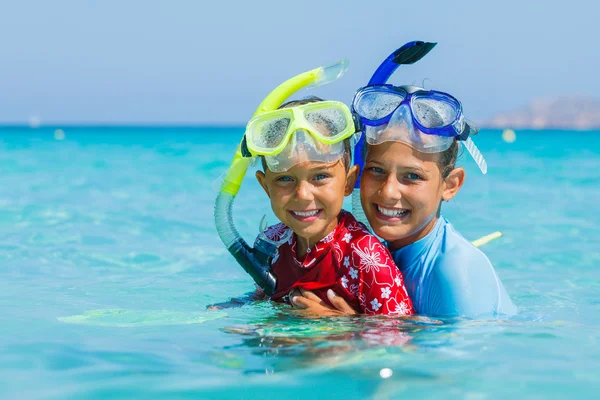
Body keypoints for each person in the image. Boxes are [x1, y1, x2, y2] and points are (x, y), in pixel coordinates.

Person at [291, 43, 517, 318]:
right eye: (376, 170)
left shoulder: (455, 270)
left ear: (450, 185)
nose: (388, 192)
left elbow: (453, 362)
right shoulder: (375, 252)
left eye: (412, 176)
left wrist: (347, 329)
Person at [253, 96, 414, 315]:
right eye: (284, 179)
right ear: (265, 186)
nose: (302, 194)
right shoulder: (271, 243)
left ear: (348, 182)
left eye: (320, 176)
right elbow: (262, 298)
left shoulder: (366, 258)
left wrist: (341, 324)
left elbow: (401, 336)